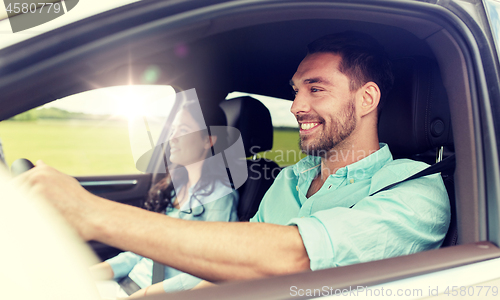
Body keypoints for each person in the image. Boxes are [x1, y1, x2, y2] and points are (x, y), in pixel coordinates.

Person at [15, 31, 450, 287]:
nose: (297, 105)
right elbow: (235, 258)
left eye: (315, 89)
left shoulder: (414, 192)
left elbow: (295, 257)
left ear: (368, 97)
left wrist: (92, 213)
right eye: (295, 89)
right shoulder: (290, 180)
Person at [90, 101, 239, 298]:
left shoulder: (221, 197)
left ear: (207, 141)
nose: (173, 138)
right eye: (173, 129)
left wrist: (147, 294)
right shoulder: (173, 187)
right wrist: (93, 273)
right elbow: (144, 250)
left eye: (183, 130)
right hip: (124, 284)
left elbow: (215, 272)